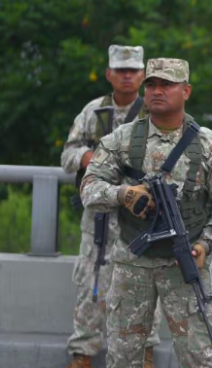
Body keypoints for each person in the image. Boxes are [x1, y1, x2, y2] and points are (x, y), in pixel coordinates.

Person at [81, 58, 212, 368]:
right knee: (123, 357)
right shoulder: (122, 139)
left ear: (186, 91)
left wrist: (204, 245)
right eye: (151, 84)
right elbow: (89, 188)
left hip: (184, 263)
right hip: (132, 262)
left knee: (197, 357)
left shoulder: (209, 145)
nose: (157, 91)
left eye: (167, 84)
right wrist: (123, 194)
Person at [59, 45, 162, 368]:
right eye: (121, 70)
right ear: (109, 74)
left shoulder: (155, 112)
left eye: (133, 70)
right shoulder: (94, 112)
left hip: (140, 215)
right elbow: (67, 155)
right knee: (91, 282)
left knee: (144, 285)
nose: (127, 76)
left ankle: (145, 352)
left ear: (142, 75)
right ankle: (83, 353)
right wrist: (89, 158)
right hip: (100, 214)